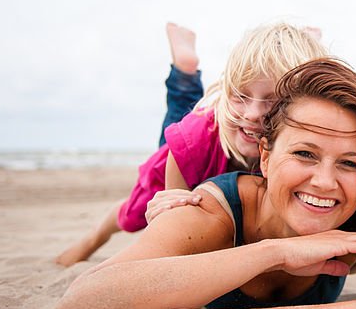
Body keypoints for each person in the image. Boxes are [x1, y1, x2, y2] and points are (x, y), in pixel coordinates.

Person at [53, 59, 356, 309]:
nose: (325, 182)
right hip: (195, 173)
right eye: (305, 153)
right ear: (265, 156)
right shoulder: (213, 211)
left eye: (349, 162)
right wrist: (273, 253)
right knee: (148, 186)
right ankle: (93, 236)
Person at [55, 22, 327, 266]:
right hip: (191, 153)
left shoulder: (297, 142)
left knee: (194, 112)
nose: (253, 113)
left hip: (219, 127)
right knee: (132, 213)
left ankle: (309, 47)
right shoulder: (193, 139)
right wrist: (167, 211)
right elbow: (175, 234)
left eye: (272, 100)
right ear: (229, 90)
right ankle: (93, 238)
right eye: (241, 95)